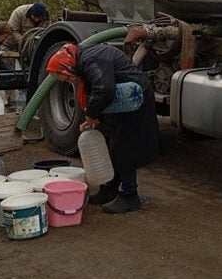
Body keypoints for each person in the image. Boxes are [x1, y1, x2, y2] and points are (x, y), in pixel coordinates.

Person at [46, 43, 160, 214]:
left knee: (124, 146)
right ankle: (110, 189)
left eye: (68, 77)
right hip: (118, 102)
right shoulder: (83, 61)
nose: (72, 80)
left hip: (134, 101)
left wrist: (91, 115)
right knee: (108, 141)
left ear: (68, 67)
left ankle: (129, 195)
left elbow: (104, 88)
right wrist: (94, 118)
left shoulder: (91, 60)